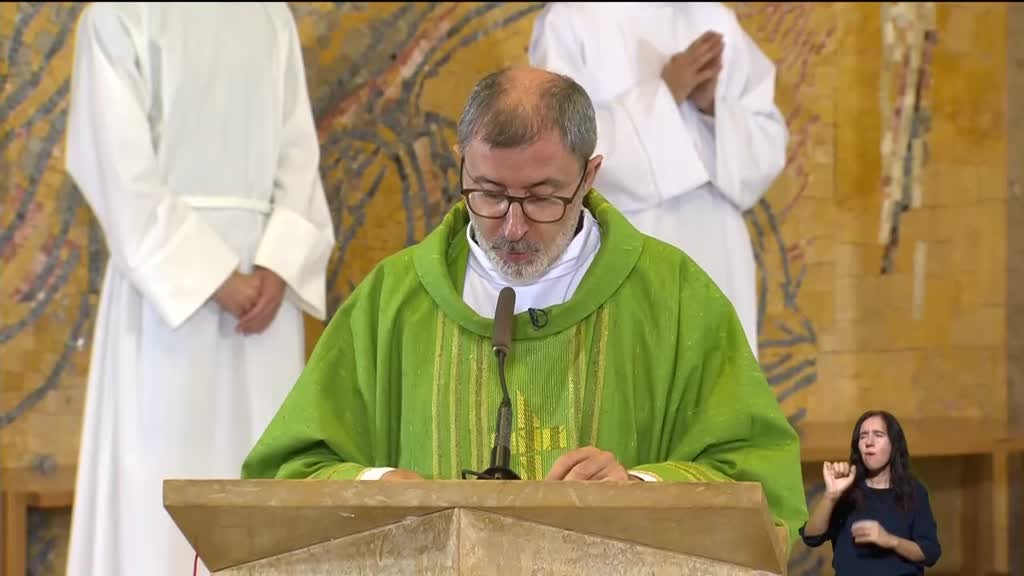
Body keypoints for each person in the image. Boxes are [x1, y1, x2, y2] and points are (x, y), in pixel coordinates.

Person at [240, 66, 807, 546]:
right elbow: (285, 477)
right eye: (488, 193)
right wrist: (378, 485)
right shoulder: (392, 302)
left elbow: (762, 485)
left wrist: (640, 490)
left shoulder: (675, 298)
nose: (512, 226)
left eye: (540, 197)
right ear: (460, 163)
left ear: (589, 176)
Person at [63, 3, 334, 575]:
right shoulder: (118, 16)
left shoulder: (267, 16)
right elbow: (116, 166)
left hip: (261, 297)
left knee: (260, 471)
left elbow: (297, 151)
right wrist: (214, 275)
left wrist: (279, 263)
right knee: (159, 475)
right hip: (168, 297)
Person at [528, 2, 789, 358]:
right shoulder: (572, 19)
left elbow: (769, 142)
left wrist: (713, 107)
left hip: (717, 245)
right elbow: (558, 144)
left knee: (718, 390)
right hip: (625, 239)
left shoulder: (713, 19)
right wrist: (664, 96)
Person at [800, 411, 942, 574]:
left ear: (894, 444)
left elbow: (930, 553)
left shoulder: (914, 491)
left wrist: (889, 540)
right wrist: (831, 495)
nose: (869, 442)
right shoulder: (847, 489)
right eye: (863, 436)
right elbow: (811, 538)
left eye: (878, 435)